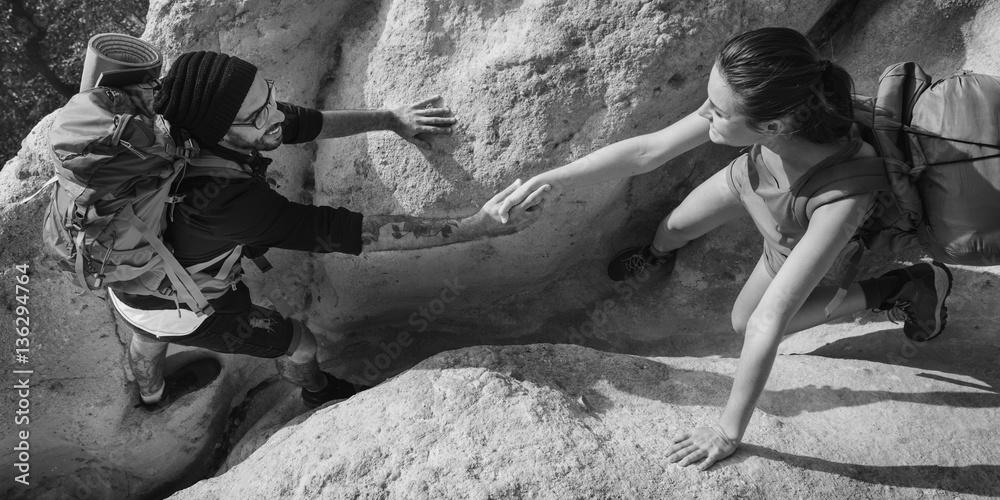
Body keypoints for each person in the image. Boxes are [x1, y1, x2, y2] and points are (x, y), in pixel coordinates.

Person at [492, 28, 953, 470]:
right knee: (673, 226)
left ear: (771, 124)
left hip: (788, 236)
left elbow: (767, 324)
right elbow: (647, 152)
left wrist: (729, 432)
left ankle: (903, 286)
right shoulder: (769, 111)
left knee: (744, 320)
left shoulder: (845, 197)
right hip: (750, 178)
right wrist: (551, 179)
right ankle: (657, 255)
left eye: (717, 110)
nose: (705, 113)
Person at [111, 51, 537, 414]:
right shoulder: (230, 202)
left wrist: (390, 118)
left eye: (270, 96)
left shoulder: (188, 122)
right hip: (176, 308)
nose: (275, 114)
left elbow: (303, 122)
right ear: (221, 131)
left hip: (127, 271)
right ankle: (316, 391)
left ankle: (151, 394)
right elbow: (348, 232)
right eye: (260, 114)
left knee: (145, 334)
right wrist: (475, 227)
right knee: (300, 343)